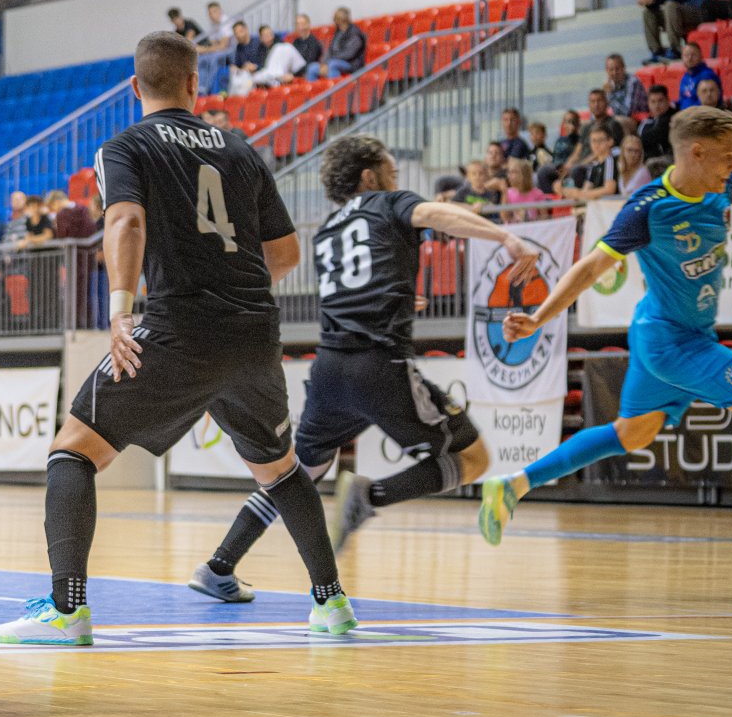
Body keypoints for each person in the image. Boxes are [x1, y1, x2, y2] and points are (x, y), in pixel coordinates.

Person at [0, 31, 356, 645]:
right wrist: (232, 289)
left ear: (135, 86)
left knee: (73, 451)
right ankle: (331, 602)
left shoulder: (124, 147)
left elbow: (127, 220)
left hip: (175, 326)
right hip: (252, 331)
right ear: (195, 84)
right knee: (280, 469)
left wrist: (119, 313)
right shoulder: (241, 150)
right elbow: (286, 253)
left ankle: (66, 609)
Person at [481, 105, 732, 575]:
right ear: (696, 153)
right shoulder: (648, 208)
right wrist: (540, 317)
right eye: (726, 156)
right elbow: (589, 268)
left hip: (665, 334)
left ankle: (513, 485)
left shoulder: (721, 187)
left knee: (630, 433)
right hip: (671, 343)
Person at [191, 135, 540, 587]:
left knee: (294, 475)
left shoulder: (330, 229)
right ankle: (369, 496)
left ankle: (219, 566)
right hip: (379, 365)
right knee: (473, 457)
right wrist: (505, 236)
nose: (396, 183)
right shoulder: (387, 203)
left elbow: (356, 285)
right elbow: (435, 214)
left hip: (329, 370)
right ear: (370, 177)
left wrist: (396, 295)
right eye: (392, 175)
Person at [560, 123, 621, 202]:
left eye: (600, 140)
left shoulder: (610, 161)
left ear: (610, 141)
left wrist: (580, 193)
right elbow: (586, 189)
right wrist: (568, 192)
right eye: (593, 141)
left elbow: (609, 189)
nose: (596, 144)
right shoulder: (594, 165)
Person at [313, 6, 365, 79]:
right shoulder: (338, 33)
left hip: (351, 63)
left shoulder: (355, 33)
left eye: (336, 18)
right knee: (312, 68)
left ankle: (336, 89)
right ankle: (317, 90)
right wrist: (323, 63)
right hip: (334, 60)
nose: (334, 21)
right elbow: (330, 50)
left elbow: (348, 54)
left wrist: (329, 61)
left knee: (333, 64)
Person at [601, 53, 646, 121]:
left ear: (623, 68)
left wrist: (610, 95)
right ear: (607, 71)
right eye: (611, 69)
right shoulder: (608, 84)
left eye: (617, 69)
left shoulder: (633, 82)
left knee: (615, 123)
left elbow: (627, 111)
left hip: (637, 120)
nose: (614, 72)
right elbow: (602, 109)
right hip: (617, 119)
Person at [675, 41, 716, 109]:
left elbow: (708, 102)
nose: (690, 58)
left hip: (701, 114)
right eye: (686, 55)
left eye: (693, 55)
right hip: (685, 114)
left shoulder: (707, 76)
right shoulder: (685, 77)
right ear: (682, 58)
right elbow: (683, 100)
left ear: (701, 57)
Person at [638, 86, 675, 162]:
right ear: (648, 103)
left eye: (660, 101)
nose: (656, 105)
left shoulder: (672, 118)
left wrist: (636, 140)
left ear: (668, 101)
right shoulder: (649, 120)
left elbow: (654, 136)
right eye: (653, 102)